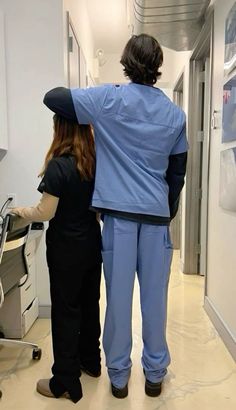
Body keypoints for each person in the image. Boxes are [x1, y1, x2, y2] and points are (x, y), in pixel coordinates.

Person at [43, 33, 188, 399]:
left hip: (119, 221)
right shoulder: (174, 114)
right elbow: (177, 172)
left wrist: (95, 102)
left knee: (118, 301)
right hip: (155, 221)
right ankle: (154, 375)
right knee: (155, 301)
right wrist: (165, 209)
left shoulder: (108, 99)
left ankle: (120, 379)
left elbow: (53, 98)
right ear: (158, 67)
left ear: (126, 63)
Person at [12, 114, 102, 403]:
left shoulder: (58, 166)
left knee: (65, 311)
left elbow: (45, 212)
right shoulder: (94, 163)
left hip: (66, 250)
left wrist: (19, 212)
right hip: (92, 244)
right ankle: (91, 361)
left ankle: (64, 380)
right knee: (89, 304)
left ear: (60, 130)